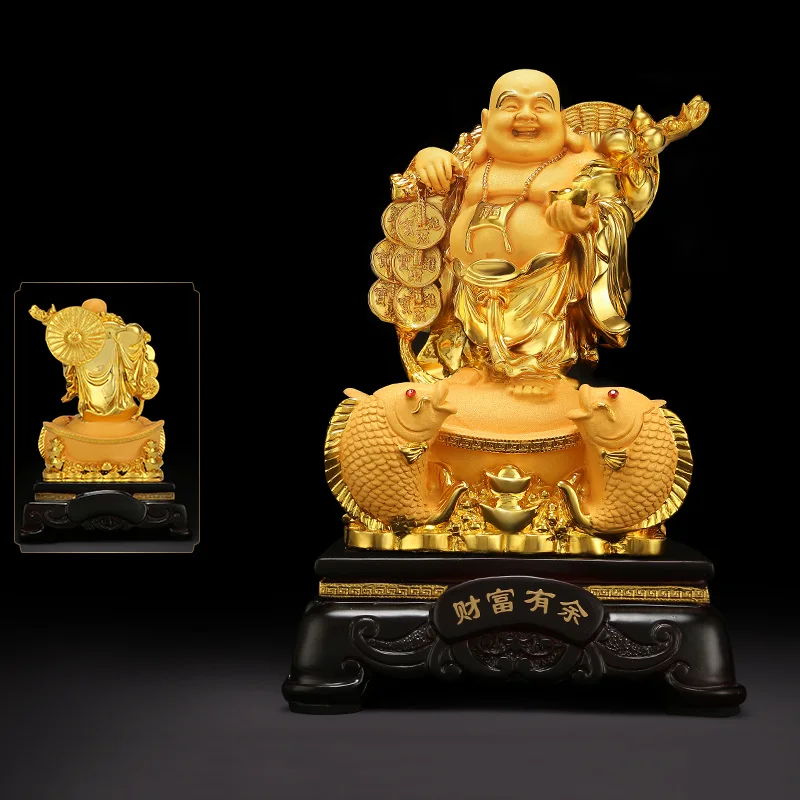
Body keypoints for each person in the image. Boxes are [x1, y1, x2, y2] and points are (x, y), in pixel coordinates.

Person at [405, 69, 653, 391]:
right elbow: (421, 196)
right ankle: (473, 363)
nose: (525, 115)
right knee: (463, 339)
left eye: (540, 106)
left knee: (542, 329)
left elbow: (613, 207)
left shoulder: (582, 163)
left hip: (542, 287)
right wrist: (426, 159)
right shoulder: (469, 160)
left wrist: (586, 219)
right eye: (510, 105)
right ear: (486, 119)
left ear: (562, 121)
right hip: (467, 285)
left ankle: (540, 369)